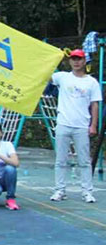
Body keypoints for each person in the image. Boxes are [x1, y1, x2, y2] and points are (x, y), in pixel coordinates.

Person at [49, 49, 101, 203]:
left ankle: (87, 191)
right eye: (73, 59)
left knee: (84, 161)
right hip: (63, 124)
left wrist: (93, 125)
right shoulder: (62, 77)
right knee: (60, 160)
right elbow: (44, 75)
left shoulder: (91, 82)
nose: (76, 62)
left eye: (79, 59)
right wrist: (53, 56)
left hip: (81, 126)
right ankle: (59, 190)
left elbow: (95, 105)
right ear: (69, 61)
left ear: (84, 61)